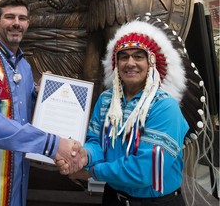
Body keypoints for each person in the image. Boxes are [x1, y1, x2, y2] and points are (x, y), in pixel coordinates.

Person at [0, 0, 85, 206]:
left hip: (15, 190)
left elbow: (21, 114)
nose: (16, 22)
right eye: (10, 17)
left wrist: (42, 96)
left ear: (27, 23)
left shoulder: (23, 67)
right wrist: (53, 145)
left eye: (22, 18)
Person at [57, 15, 197, 205]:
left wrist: (92, 171)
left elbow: (146, 171)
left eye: (138, 56)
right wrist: (84, 155)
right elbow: (96, 142)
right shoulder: (107, 100)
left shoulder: (164, 106)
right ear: (116, 64)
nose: (130, 63)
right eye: (124, 57)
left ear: (150, 64)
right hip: (113, 198)